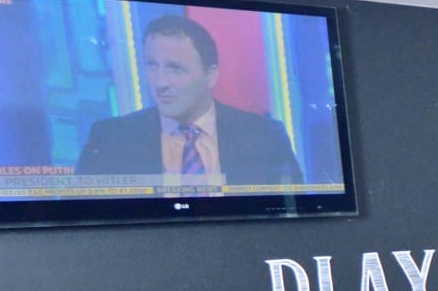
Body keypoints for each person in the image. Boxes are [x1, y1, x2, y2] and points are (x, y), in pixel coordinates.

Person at [74, 14, 304, 186]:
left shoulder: (264, 136)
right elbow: (82, 219)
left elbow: (293, 217)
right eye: (152, 65)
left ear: (210, 75)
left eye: (175, 68)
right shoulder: (111, 139)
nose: (160, 82)